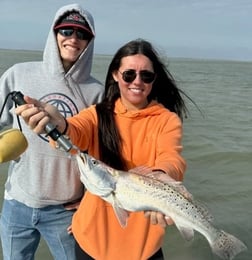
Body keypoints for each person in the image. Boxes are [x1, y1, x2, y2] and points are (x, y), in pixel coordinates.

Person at [15, 39, 189, 260]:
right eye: (129, 74)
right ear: (116, 75)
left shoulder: (166, 120)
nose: (137, 81)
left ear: (154, 80)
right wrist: (60, 124)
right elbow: (76, 129)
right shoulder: (97, 114)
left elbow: (171, 157)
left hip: (143, 247)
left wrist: (162, 179)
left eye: (146, 76)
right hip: (89, 241)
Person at [0, 3, 104, 260]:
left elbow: (102, 154)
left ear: (89, 42)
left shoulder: (98, 92)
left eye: (82, 34)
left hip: (66, 210)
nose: (73, 38)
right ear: (54, 33)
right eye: (66, 30)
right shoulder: (18, 74)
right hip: (16, 202)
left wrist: (90, 202)